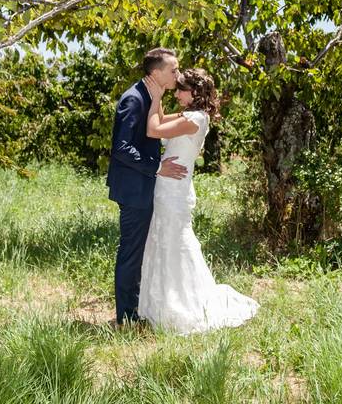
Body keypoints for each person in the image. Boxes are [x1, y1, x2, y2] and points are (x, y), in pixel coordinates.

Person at [138, 68, 259, 334]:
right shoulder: (191, 116)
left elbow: (152, 129)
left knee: (175, 242)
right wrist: (158, 101)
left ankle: (182, 304)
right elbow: (161, 121)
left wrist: (156, 96)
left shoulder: (193, 119)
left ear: (193, 92)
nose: (176, 93)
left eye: (180, 89)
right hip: (171, 186)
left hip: (173, 190)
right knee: (165, 240)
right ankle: (162, 302)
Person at [107, 48, 187, 326]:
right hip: (133, 188)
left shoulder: (151, 96)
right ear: (156, 73)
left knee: (139, 250)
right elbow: (121, 148)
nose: (178, 74)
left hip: (141, 185)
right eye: (173, 70)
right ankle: (126, 318)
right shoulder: (133, 99)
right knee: (131, 251)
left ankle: (135, 309)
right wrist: (156, 167)